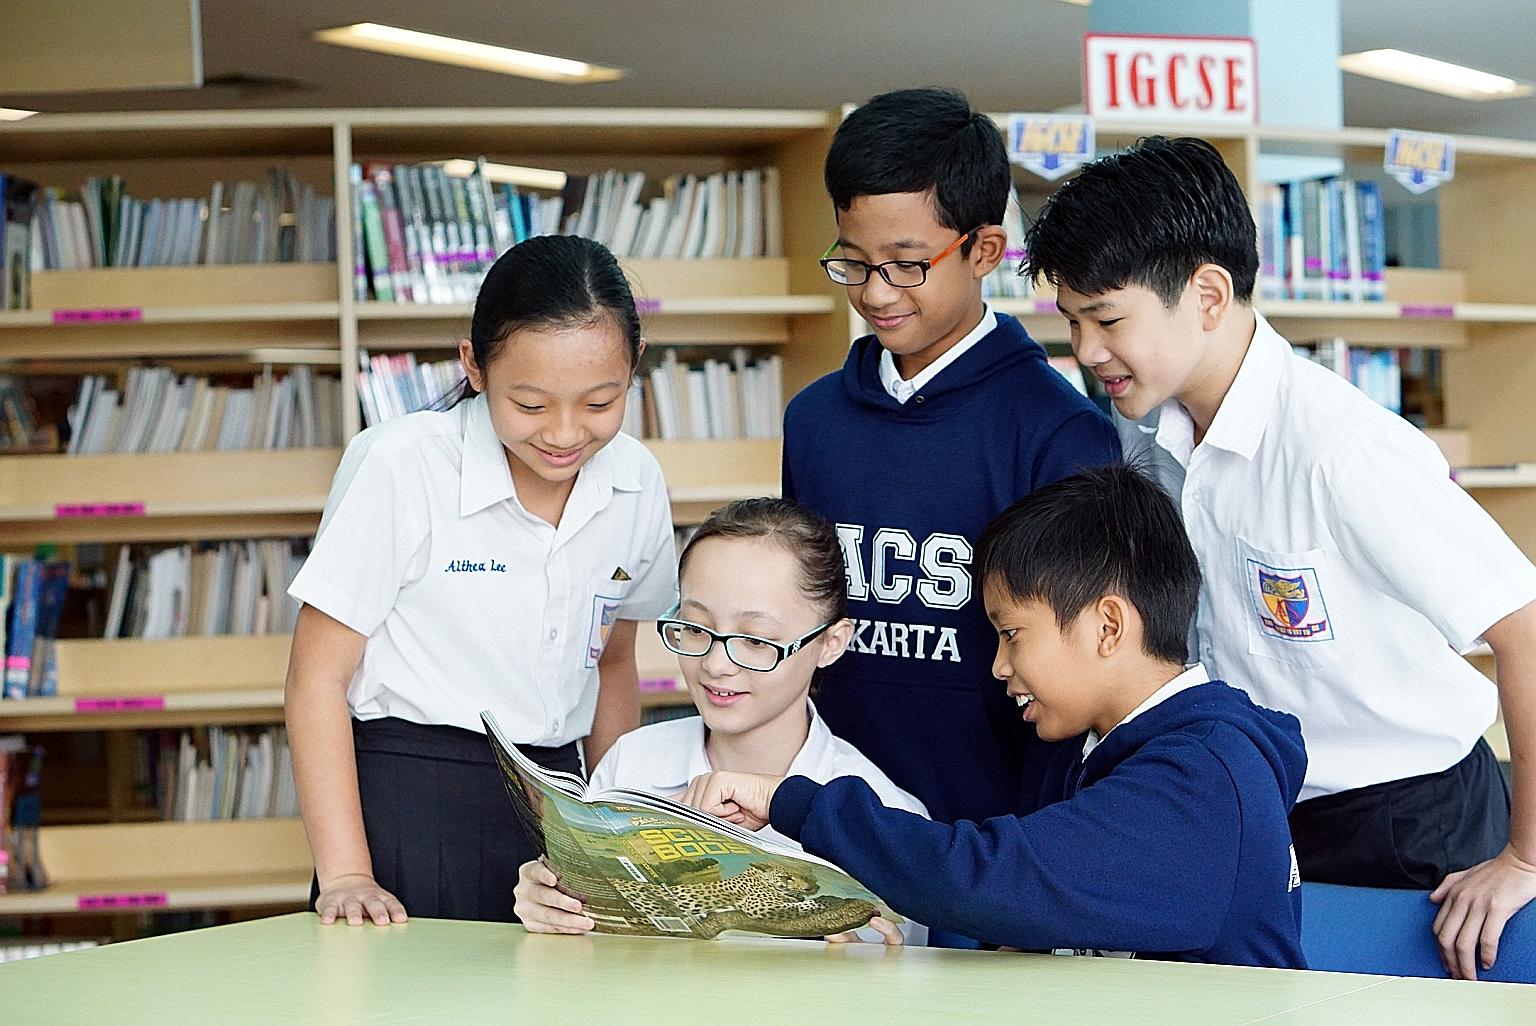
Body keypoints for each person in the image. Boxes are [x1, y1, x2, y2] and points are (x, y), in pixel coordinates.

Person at [1024, 134, 1536, 980]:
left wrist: (1525, 858)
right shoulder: (1151, 436)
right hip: (1267, 811)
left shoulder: (1340, 448)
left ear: (1209, 294)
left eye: (1108, 320)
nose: (1085, 352)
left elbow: (1524, 623)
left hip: (1414, 827)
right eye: (1072, 322)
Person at [681, 467, 1308, 968]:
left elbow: (990, 877)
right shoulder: (1085, 748)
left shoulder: (1203, 782)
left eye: (1011, 635)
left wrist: (793, 804)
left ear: (1107, 626)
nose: (999, 667)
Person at [285, 235, 678, 926]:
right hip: (412, 801)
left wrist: (611, 839)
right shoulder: (401, 464)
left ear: (634, 367)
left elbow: (615, 663)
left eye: (598, 402)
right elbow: (316, 679)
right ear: (473, 364)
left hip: (560, 805)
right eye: (530, 404)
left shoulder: (636, 480)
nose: (564, 433)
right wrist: (347, 872)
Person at [783, 87, 1120, 843]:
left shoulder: (1060, 436)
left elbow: (1078, 689)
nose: (874, 292)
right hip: (828, 835)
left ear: (985, 251)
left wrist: (1029, 862)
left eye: (906, 266)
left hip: (989, 849)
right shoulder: (813, 422)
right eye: (854, 262)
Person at [513, 497, 928, 943]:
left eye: (754, 639)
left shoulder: (886, 817)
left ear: (831, 642)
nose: (715, 664)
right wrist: (551, 910)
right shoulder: (631, 766)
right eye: (694, 627)